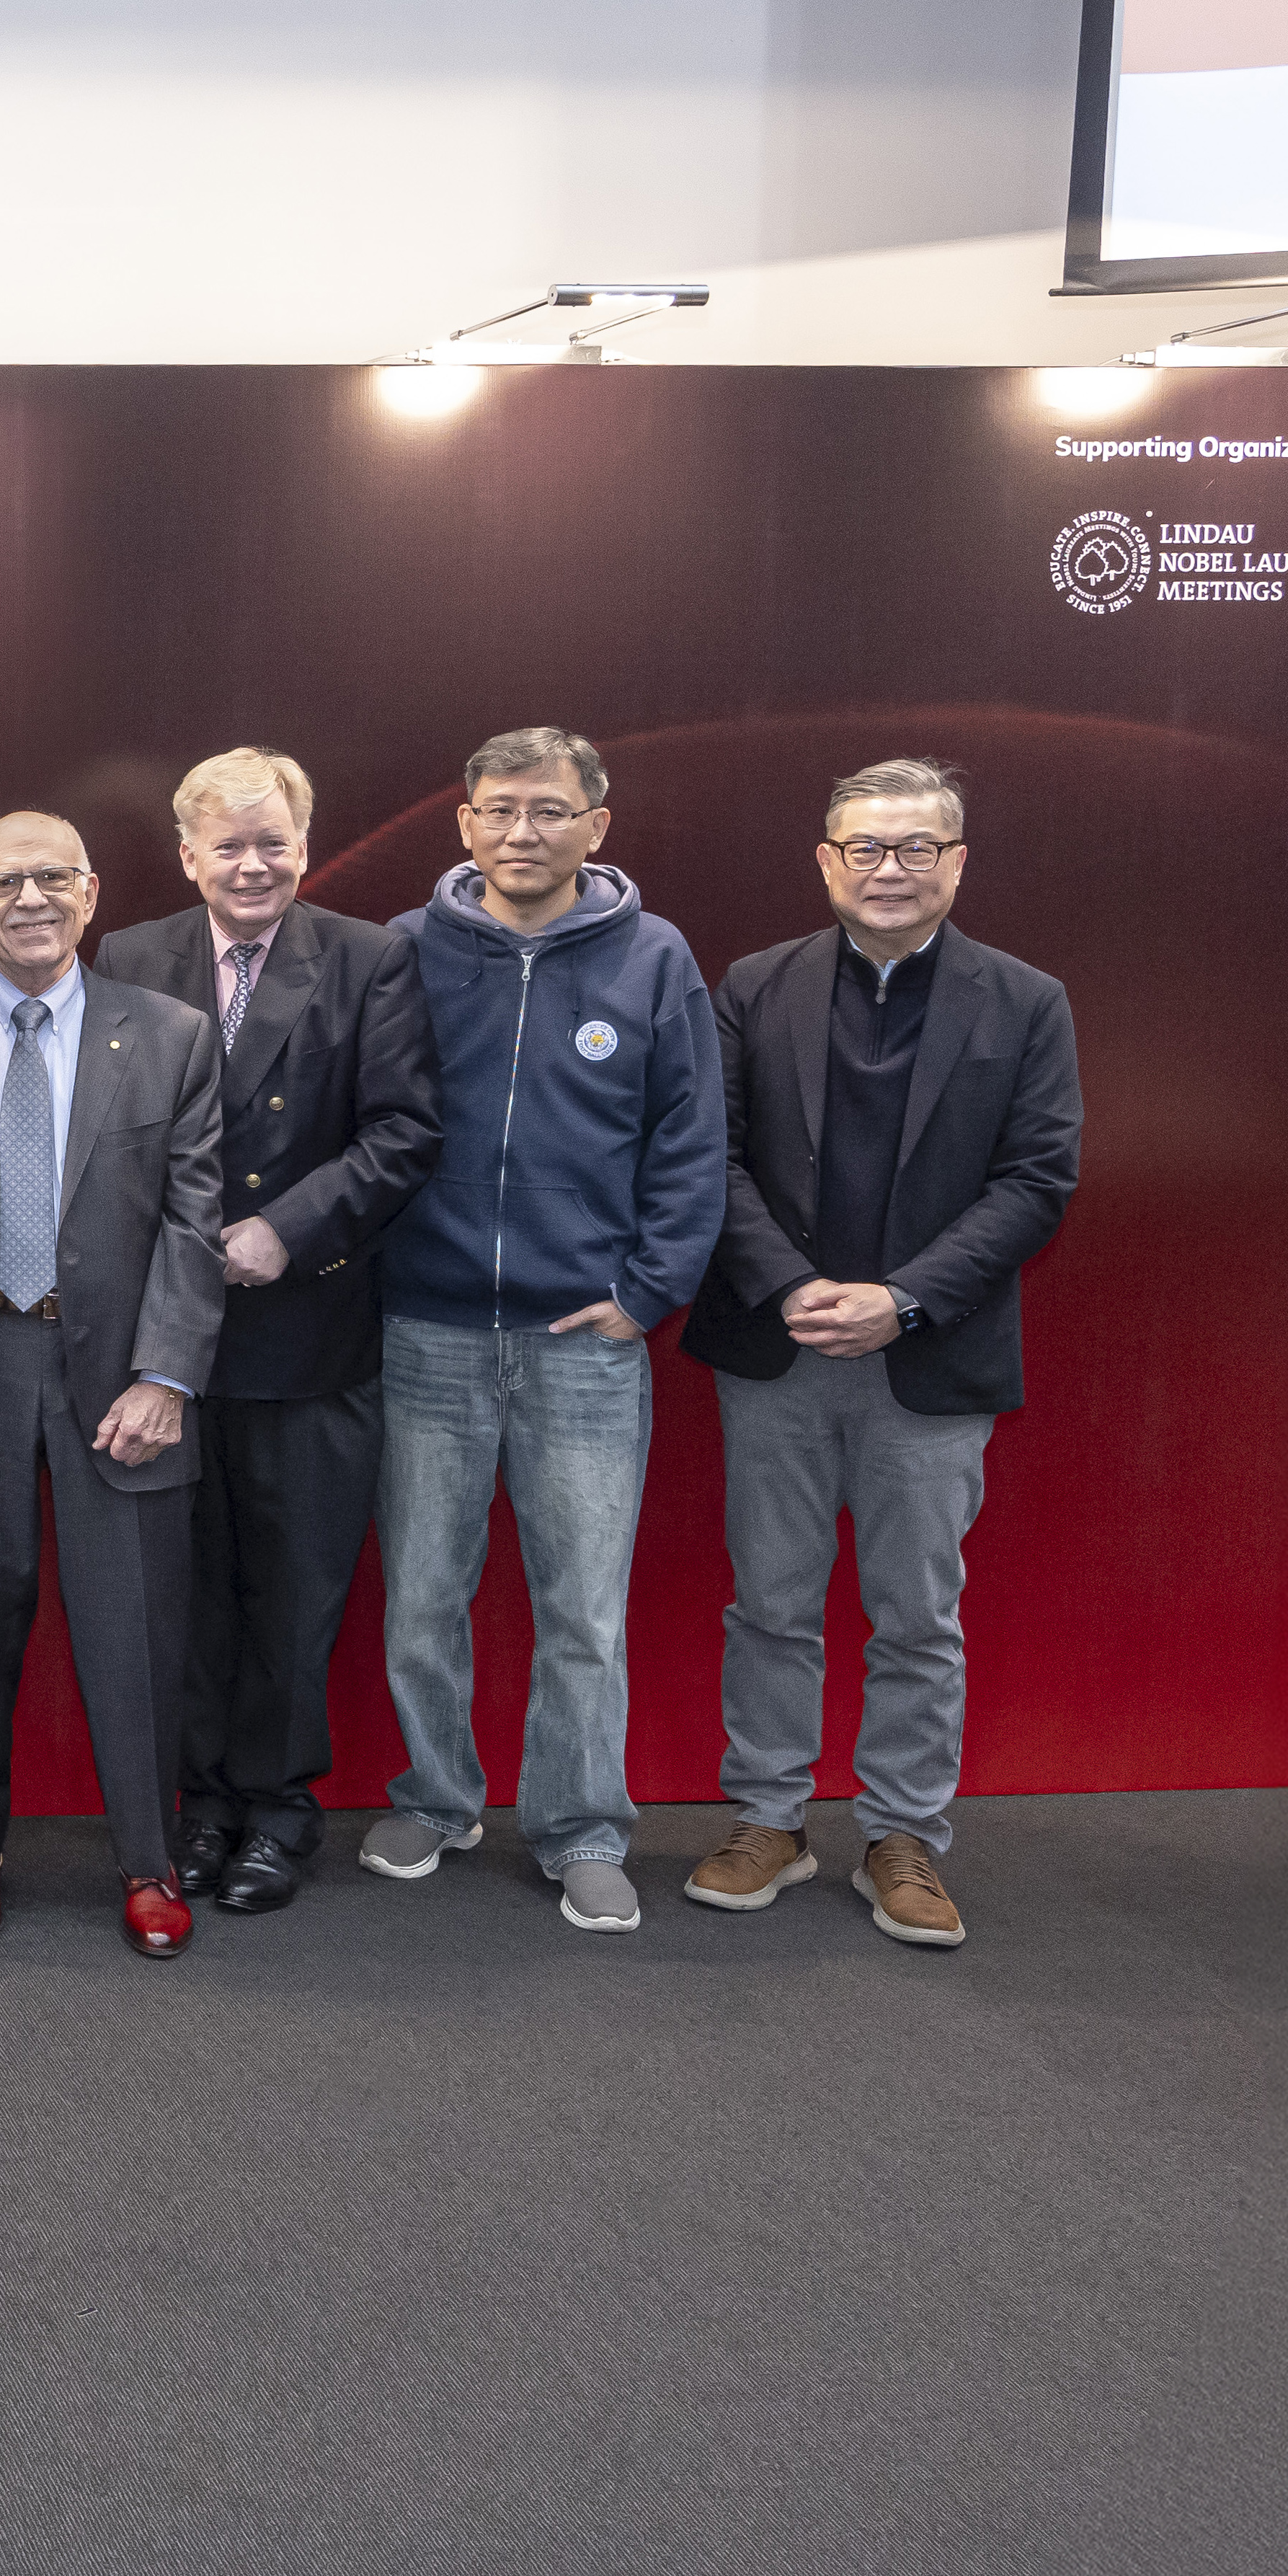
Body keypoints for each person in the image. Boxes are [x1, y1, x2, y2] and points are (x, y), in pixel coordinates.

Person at [679, 760, 1079, 1951]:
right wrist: (798, 1285)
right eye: (866, 847)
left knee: (917, 1613)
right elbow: (711, 1157)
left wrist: (902, 1299)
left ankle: (903, 1835)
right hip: (780, 1343)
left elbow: (1037, 1180)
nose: (889, 868)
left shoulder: (1027, 1000)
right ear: (826, 862)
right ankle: (770, 1819)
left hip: (931, 1357)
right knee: (773, 1602)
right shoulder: (754, 986)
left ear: (956, 863)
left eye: (916, 848)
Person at [364, 727, 726, 1934]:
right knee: (422, 1589)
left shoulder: (656, 958)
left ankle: (581, 1828)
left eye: (551, 811)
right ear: (464, 823)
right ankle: (438, 1794)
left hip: (588, 1340)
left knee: (583, 1605)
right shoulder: (406, 952)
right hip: (429, 1326)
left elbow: (690, 1142)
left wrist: (645, 1294)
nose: (525, 832)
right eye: (502, 810)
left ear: (597, 826)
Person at [94, 748, 437, 1914]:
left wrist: (286, 1229)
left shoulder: (370, 956)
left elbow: (402, 1132)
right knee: (188, 1588)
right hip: (167, 1346)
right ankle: (204, 1806)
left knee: (294, 1592)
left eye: (272, 841)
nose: (253, 864)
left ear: (305, 839)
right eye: (227, 844)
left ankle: (281, 1810)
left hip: (307, 1332)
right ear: (188, 856)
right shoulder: (131, 957)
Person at [0, 813, 224, 1956]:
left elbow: (198, 1220)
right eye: (5, 881)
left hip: (121, 1378)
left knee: (135, 1627)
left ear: (92, 895)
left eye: (53, 878)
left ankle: (149, 1860)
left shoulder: (173, 1031)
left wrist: (169, 1373)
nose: (30, 897)